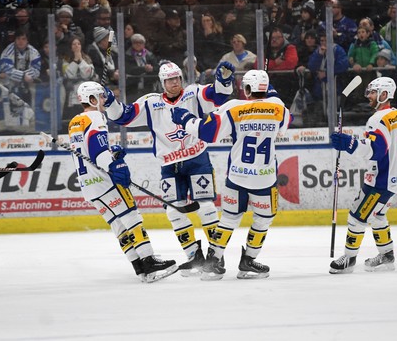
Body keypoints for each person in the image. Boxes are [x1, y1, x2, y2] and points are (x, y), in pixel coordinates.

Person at [103, 61, 235, 277]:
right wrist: (109, 102)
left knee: (206, 207)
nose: (175, 83)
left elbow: (218, 96)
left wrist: (224, 81)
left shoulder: (194, 94)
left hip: (197, 158)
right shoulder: (151, 103)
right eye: (170, 79)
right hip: (169, 165)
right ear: (162, 82)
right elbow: (123, 116)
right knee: (174, 210)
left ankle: (216, 260)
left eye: (177, 78)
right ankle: (194, 257)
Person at [171, 69, 291, 280]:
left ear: (245, 89)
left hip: (237, 176)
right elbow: (281, 119)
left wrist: (186, 119)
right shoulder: (280, 109)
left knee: (229, 218)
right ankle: (248, 262)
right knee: (263, 220)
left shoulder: (234, 108)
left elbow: (206, 132)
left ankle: (213, 262)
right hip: (265, 178)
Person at [68, 81, 178, 282]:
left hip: (89, 186)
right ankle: (149, 260)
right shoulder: (96, 116)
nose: (103, 100)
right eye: (100, 97)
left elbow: (88, 150)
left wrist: (113, 154)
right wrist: (115, 165)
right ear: (92, 99)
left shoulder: (75, 122)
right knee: (131, 217)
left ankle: (139, 266)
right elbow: (98, 151)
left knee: (118, 225)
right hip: (105, 182)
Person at [329, 77, 397, 274]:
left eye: (372, 92)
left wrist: (350, 144)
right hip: (393, 180)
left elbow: (376, 151)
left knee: (356, 217)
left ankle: (349, 259)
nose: (368, 96)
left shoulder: (377, 119)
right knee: (378, 216)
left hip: (380, 181)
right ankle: (387, 256)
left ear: (384, 94)